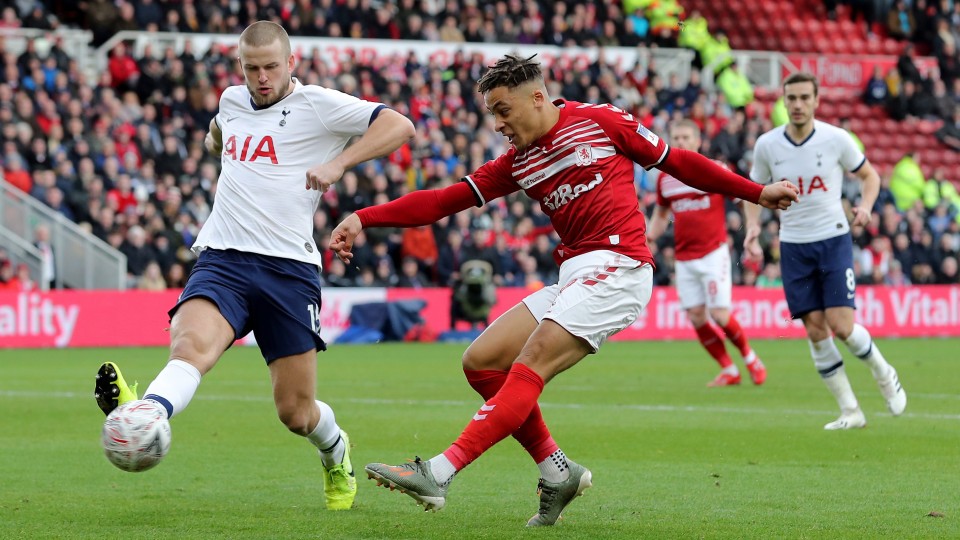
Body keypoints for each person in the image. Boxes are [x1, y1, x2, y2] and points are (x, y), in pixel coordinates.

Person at [328, 54, 799, 526]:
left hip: (621, 267)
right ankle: (557, 472)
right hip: (575, 274)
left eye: (503, 110)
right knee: (482, 361)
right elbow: (441, 201)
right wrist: (364, 217)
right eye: (491, 113)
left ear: (537, 98)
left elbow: (679, 163)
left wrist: (756, 192)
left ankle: (438, 472)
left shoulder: (601, 121)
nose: (497, 124)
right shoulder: (518, 162)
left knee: (529, 363)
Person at [92, 21, 415, 510]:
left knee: (296, 413)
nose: (261, 77)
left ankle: (335, 450)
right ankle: (146, 410)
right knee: (190, 347)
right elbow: (220, 131)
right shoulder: (231, 100)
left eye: (270, 67)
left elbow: (400, 126)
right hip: (224, 258)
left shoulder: (318, 106)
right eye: (251, 68)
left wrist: (339, 164)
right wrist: (213, 142)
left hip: (289, 272)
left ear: (291, 64)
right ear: (240, 66)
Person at [745, 72, 907, 431]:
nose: (798, 105)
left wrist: (865, 206)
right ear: (784, 101)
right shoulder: (768, 145)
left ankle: (884, 373)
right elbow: (754, 190)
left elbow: (871, 177)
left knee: (842, 326)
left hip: (832, 240)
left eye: (805, 98)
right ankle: (851, 410)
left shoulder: (836, 139)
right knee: (815, 330)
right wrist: (753, 228)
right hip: (793, 246)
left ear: (817, 101)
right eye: (792, 98)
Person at [646, 119, 767, 387]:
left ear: (698, 141)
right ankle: (728, 369)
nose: (680, 143)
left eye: (686, 137)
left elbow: (743, 195)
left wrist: (752, 231)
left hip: (713, 253)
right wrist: (649, 237)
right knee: (697, 317)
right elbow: (662, 213)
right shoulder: (665, 179)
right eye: (676, 137)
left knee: (720, 314)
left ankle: (751, 359)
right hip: (685, 258)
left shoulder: (715, 170)